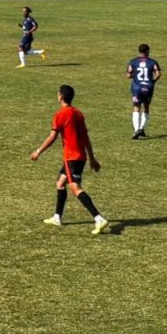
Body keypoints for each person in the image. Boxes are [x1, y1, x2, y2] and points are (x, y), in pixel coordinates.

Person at [30, 85, 109, 235]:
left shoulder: (61, 114)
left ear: (60, 96)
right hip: (81, 157)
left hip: (71, 158)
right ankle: (57, 217)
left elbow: (52, 136)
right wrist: (92, 158)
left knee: (75, 189)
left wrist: (38, 151)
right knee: (60, 183)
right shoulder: (78, 114)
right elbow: (85, 138)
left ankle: (99, 218)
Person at [126, 43, 162, 139]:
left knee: (136, 107)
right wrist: (153, 81)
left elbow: (128, 75)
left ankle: (137, 129)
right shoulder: (152, 62)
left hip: (137, 88)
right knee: (146, 107)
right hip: (148, 87)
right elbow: (158, 74)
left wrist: (134, 75)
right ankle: (141, 128)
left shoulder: (133, 61)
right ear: (147, 51)